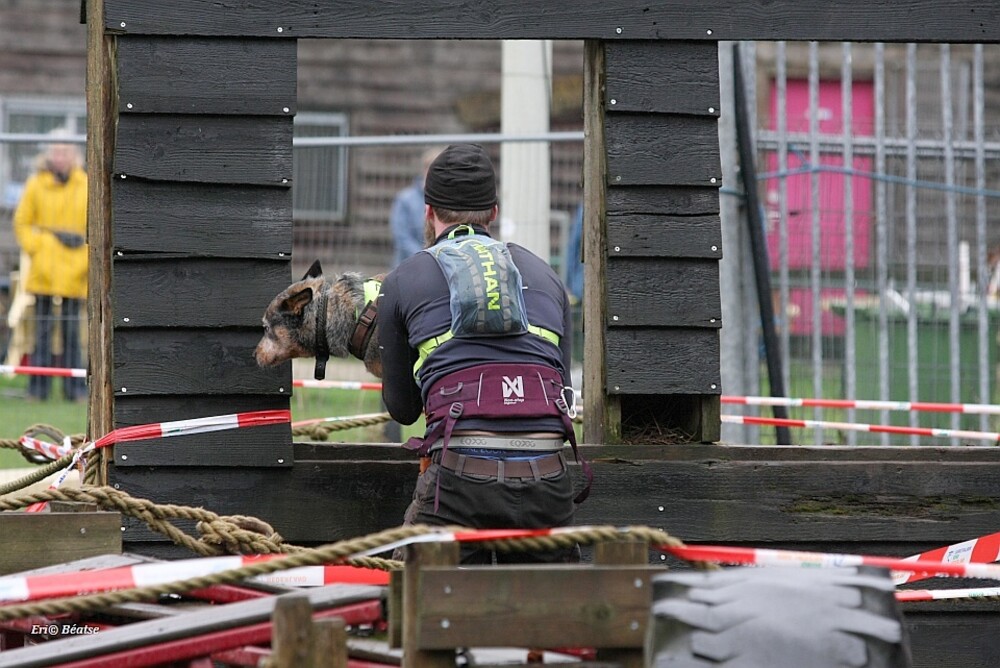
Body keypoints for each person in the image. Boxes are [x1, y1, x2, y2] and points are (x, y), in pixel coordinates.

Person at [378, 144, 589, 564]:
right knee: (552, 604)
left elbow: (401, 409)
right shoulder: (546, 275)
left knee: (414, 593)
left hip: (458, 481)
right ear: (493, 212)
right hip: (548, 480)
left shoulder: (402, 280)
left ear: (428, 212)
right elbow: (561, 391)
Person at [12, 133, 88, 401]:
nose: (60, 157)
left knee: (72, 332)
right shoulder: (36, 184)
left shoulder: (85, 184)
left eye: (65, 152)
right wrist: (38, 246)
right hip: (45, 269)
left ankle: (75, 389)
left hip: (75, 269)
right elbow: (22, 221)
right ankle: (38, 388)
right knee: (41, 331)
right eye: (56, 152)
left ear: (74, 155)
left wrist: (85, 255)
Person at [389, 147, 441, 269]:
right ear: (425, 169)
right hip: (408, 267)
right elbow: (401, 236)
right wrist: (424, 258)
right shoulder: (405, 199)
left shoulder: (447, 199)